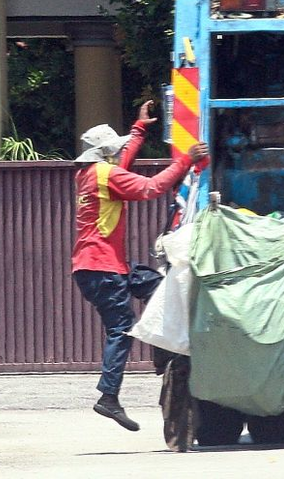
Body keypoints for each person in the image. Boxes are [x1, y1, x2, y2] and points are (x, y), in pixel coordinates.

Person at [71, 100, 209, 432]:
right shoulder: (105, 175)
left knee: (162, 288)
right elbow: (152, 188)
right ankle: (108, 396)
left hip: (105, 265)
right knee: (121, 328)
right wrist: (186, 160)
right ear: (106, 155)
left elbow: (123, 164)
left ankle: (163, 349)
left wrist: (139, 128)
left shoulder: (90, 174)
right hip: (102, 267)